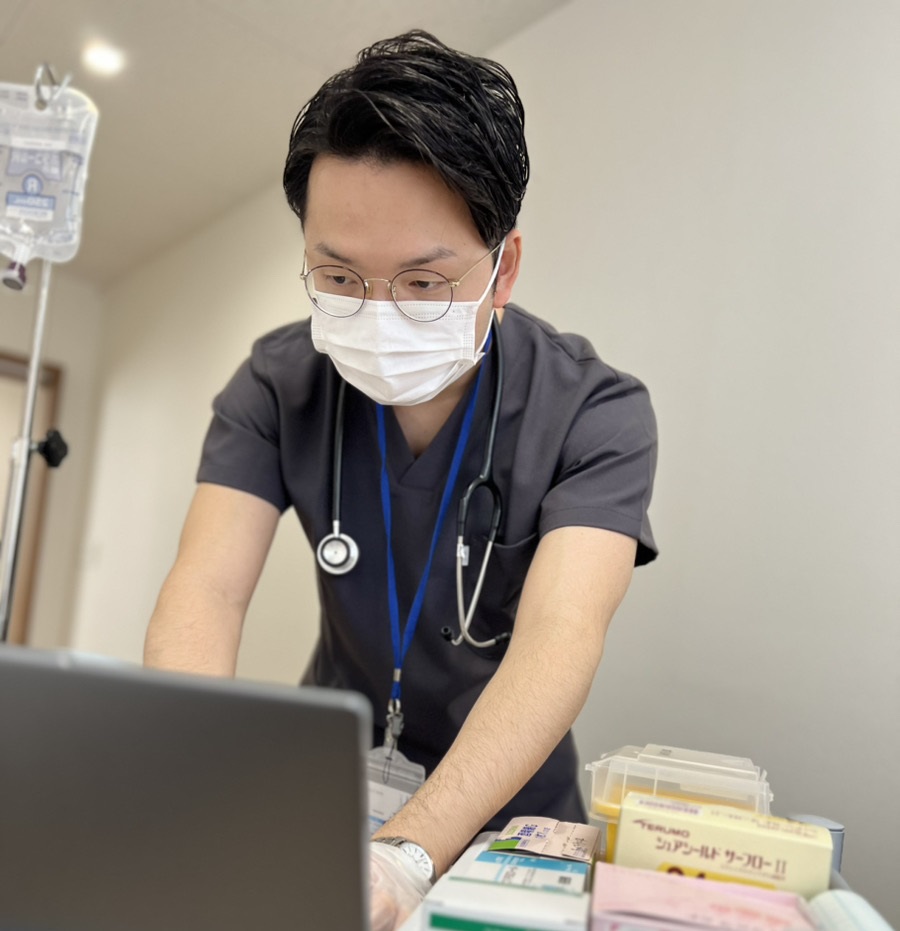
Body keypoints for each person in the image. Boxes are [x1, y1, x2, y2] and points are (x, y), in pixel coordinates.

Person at [144, 30, 657, 930]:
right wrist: (197, 776)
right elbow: (207, 589)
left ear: (503, 268)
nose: (377, 313)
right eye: (340, 276)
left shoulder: (593, 411)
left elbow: (560, 637)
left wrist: (406, 854)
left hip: (507, 825)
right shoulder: (279, 384)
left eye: (423, 282)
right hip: (321, 796)